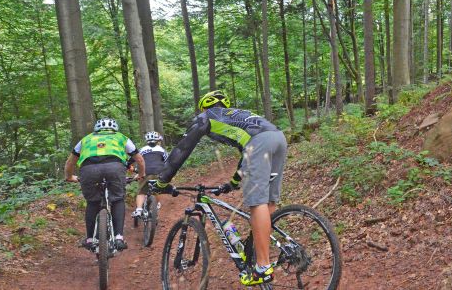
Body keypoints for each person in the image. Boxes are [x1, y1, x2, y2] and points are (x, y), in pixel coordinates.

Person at [154, 90, 287, 286]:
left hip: (259, 144)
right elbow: (246, 155)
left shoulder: (206, 116)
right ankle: (258, 252)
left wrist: (162, 180)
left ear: (204, 107)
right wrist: (232, 183)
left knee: (256, 202)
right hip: (279, 139)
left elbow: (182, 149)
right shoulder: (240, 117)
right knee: (268, 201)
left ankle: (263, 267)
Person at [64, 118, 144, 251]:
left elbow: (70, 162)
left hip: (88, 169)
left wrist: (69, 176)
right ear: (115, 128)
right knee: (118, 199)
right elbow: (140, 160)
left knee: (92, 202)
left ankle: (90, 239)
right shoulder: (121, 137)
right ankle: (118, 238)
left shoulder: (85, 139)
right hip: (115, 167)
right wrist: (141, 174)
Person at [132, 131, 167, 218]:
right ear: (158, 141)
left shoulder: (142, 150)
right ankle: (157, 204)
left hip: (146, 172)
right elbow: (167, 161)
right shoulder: (162, 150)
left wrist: (137, 172)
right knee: (157, 189)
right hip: (159, 172)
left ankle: (139, 210)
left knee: (141, 191)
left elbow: (138, 161)